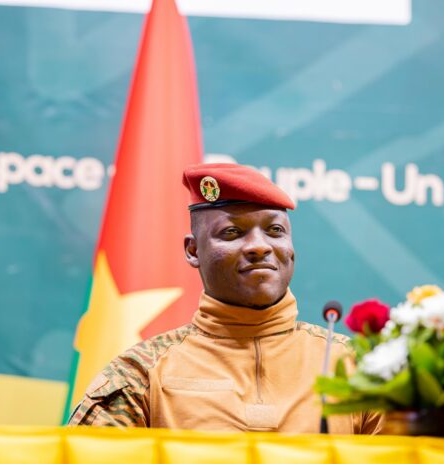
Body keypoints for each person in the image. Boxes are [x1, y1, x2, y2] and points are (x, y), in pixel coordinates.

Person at [69, 163, 382, 434]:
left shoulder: (358, 368)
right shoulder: (141, 373)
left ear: (291, 246)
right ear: (193, 251)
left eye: (275, 230)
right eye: (232, 232)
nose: (259, 246)